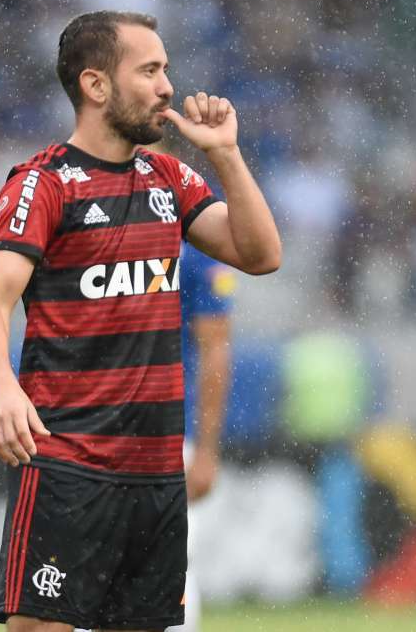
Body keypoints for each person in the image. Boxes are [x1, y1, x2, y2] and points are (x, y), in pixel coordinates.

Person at [0, 10, 281, 632]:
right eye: (150, 70)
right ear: (97, 86)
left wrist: (227, 156)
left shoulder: (169, 178)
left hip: (155, 471)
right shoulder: (43, 184)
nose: (168, 86)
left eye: (165, 68)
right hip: (66, 459)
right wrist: (2, 387)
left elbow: (261, 254)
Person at [167, 241, 235, 632]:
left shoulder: (194, 248)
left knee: (167, 565)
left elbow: (215, 348)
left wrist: (206, 450)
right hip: (97, 433)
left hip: (166, 433)